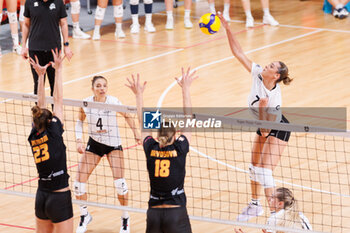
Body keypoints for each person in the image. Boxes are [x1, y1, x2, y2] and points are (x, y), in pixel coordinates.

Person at [218, 12, 293, 222]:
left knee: (264, 172)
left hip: (277, 127)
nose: (265, 66)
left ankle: (274, 217)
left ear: (276, 76)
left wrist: (261, 110)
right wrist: (228, 28)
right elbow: (239, 53)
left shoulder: (272, 99)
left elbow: (267, 129)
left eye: (271, 66)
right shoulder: (258, 73)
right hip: (262, 124)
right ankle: (255, 205)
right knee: (253, 168)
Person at [126, 67, 198, 233]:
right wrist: (185, 89)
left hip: (154, 212)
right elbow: (188, 117)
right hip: (176, 211)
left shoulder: (150, 148)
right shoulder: (180, 148)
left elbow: (142, 121)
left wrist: (139, 95)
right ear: (175, 136)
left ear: (158, 137)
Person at [74, 75, 141, 233]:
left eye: (104, 85)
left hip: (113, 144)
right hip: (95, 143)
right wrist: (79, 140)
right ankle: (84, 215)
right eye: (98, 86)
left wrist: (136, 133)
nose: (102, 88)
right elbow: (79, 121)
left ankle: (125, 219)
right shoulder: (86, 103)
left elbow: (127, 115)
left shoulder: (113, 102)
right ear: (93, 89)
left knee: (120, 185)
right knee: (78, 184)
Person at [27, 48, 73, 233]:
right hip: (59, 197)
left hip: (41, 197)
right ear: (50, 121)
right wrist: (59, 70)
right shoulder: (54, 132)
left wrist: (40, 77)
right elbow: (58, 99)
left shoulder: (34, 135)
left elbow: (40, 105)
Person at [22, 0, 73, 100]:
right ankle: (39, 113)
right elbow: (26, 24)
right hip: (35, 49)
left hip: (54, 50)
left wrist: (66, 45)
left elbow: (63, 23)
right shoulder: (30, 2)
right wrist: (23, 46)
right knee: (38, 83)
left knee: (55, 83)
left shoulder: (58, 2)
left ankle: (56, 113)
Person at [234, 187, 312, 233]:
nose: (269, 199)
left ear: (280, 204)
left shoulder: (274, 219)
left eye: (272, 197)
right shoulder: (300, 215)